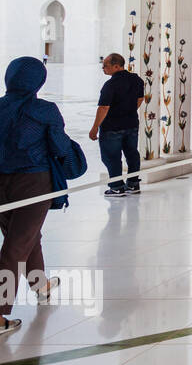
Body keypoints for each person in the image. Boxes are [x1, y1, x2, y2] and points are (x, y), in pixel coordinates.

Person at [0, 57, 82, 335]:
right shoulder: (44, 110)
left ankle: (42, 287)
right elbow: (59, 146)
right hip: (33, 184)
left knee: (25, 239)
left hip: (1, 184)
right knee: (15, 248)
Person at [89, 52, 145, 196]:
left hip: (112, 127)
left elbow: (104, 108)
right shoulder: (136, 80)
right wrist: (129, 110)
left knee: (111, 157)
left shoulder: (110, 84)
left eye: (106, 66)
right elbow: (140, 99)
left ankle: (116, 186)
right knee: (132, 154)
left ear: (116, 66)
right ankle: (133, 184)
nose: (103, 68)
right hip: (131, 124)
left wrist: (95, 128)